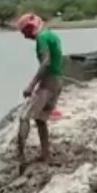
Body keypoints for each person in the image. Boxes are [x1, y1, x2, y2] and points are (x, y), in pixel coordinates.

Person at [15, 13, 64, 173]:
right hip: (58, 81)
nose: (25, 37)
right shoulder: (52, 35)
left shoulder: (42, 38)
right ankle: (46, 154)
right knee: (41, 119)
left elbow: (46, 62)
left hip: (48, 82)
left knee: (24, 117)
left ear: (30, 29)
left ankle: (20, 157)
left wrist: (31, 85)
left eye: (25, 33)